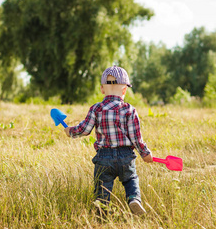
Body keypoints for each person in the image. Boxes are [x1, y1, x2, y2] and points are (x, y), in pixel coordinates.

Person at [65, 65, 153, 216]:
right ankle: (133, 199)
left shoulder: (96, 109)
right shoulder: (129, 110)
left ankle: (102, 208)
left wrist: (71, 131)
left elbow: (84, 130)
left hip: (104, 157)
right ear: (124, 90)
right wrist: (145, 153)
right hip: (126, 156)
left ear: (102, 89)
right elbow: (136, 137)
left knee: (102, 185)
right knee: (131, 179)